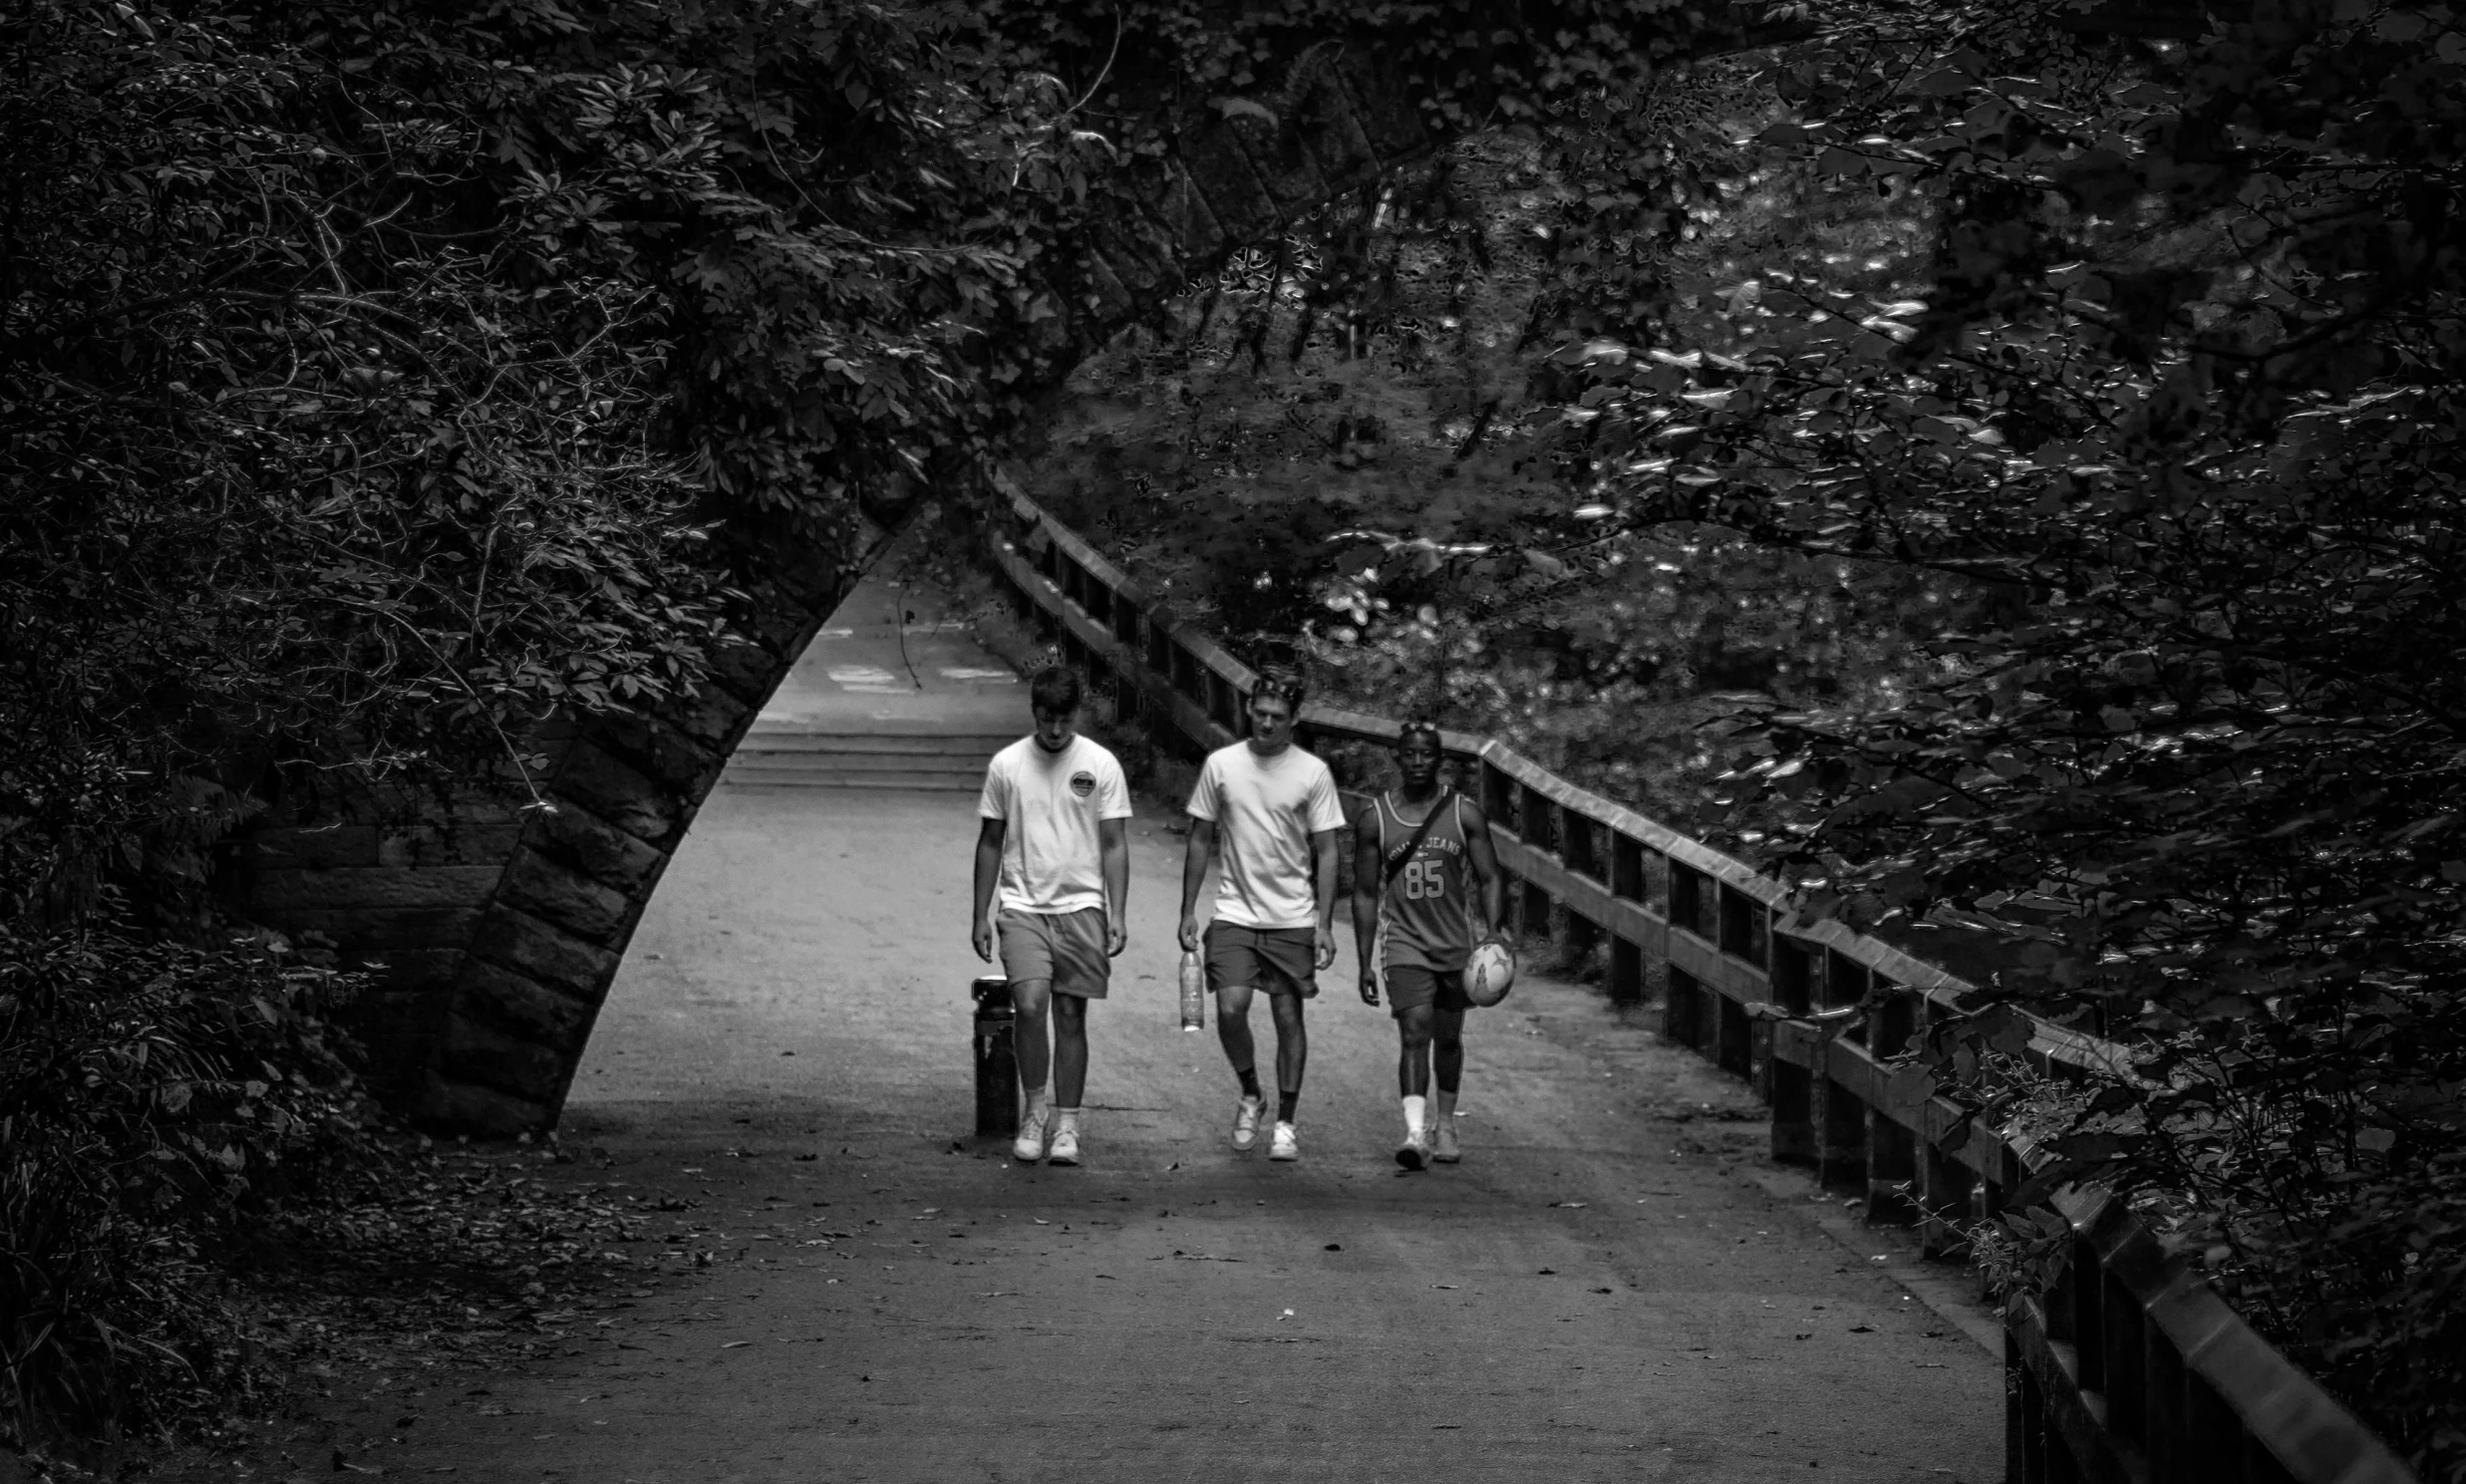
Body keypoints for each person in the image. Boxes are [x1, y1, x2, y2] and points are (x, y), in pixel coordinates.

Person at [1177, 669, 1346, 1162]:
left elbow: (1328, 851)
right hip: (1234, 910)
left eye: (1278, 717)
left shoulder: (1311, 772)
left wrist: (1324, 924)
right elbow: (1200, 836)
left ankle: (1287, 1122)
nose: (1267, 724)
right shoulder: (1222, 765)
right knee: (1230, 1006)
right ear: (1249, 709)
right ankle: (1251, 1092)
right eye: (1260, 713)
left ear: (1294, 720)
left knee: (1288, 1014)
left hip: (1292, 915)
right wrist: (1188, 909)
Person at [971, 667, 1131, 1167]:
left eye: (1063, 720)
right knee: (1031, 1001)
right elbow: (991, 840)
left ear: (1075, 714)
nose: (1055, 729)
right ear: (1034, 712)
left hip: (1082, 904)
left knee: (1069, 1013)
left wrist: (1117, 912)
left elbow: (1113, 843)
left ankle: (1068, 1124)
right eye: (1047, 719)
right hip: (1023, 903)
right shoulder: (1008, 765)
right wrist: (980, 913)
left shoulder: (1100, 765)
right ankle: (1034, 1111)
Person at [1351, 721, 1505, 1169]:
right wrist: (1364, 961)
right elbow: (1363, 892)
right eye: (1410, 754)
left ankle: (1446, 1123)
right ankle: (1415, 1133)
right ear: (1397, 758)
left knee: (1449, 1037)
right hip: (1404, 941)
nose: (1418, 762)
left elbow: (1491, 876)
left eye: (1427, 754)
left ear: (1439, 760)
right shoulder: (1376, 818)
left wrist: (1494, 931)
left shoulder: (1463, 813)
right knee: (1414, 1029)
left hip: (1456, 944)